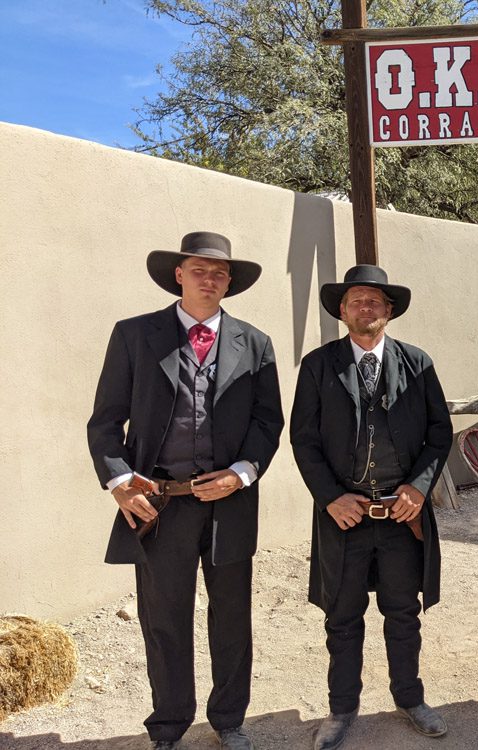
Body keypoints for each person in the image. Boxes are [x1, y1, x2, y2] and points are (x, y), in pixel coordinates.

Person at [87, 232, 284, 750]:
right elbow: (105, 421)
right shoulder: (135, 335)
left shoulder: (255, 343)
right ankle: (170, 725)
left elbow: (268, 423)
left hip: (229, 504)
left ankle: (229, 720)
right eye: (199, 269)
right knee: (165, 618)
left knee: (232, 617)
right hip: (160, 504)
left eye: (219, 273)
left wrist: (242, 472)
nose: (210, 279)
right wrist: (119, 482)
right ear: (179, 274)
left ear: (229, 283)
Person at [289, 264, 453, 750]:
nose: (366, 306)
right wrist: (330, 497)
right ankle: (342, 708)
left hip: (402, 518)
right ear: (342, 310)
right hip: (344, 517)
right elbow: (303, 440)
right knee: (342, 617)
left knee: (403, 612)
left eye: (375, 300)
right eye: (357, 299)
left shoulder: (417, 363)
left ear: (389, 311)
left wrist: (419, 488)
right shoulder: (319, 366)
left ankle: (410, 697)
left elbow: (439, 433)